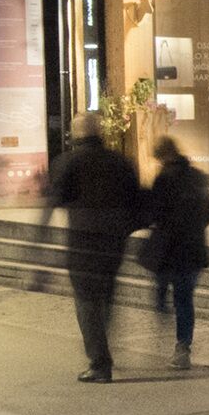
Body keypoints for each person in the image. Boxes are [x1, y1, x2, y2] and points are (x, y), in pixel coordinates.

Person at [46, 112, 143, 381]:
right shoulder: (120, 162)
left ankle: (100, 363)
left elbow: (57, 198)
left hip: (83, 243)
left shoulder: (68, 162)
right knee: (107, 295)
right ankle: (103, 349)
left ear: (76, 134)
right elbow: (135, 199)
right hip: (114, 243)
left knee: (86, 303)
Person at [141, 133, 209, 373]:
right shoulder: (197, 177)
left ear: (163, 157)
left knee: (166, 287)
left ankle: (162, 306)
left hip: (170, 249)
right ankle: (183, 347)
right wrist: (194, 229)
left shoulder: (164, 179)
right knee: (185, 299)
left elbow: (155, 213)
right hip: (192, 249)